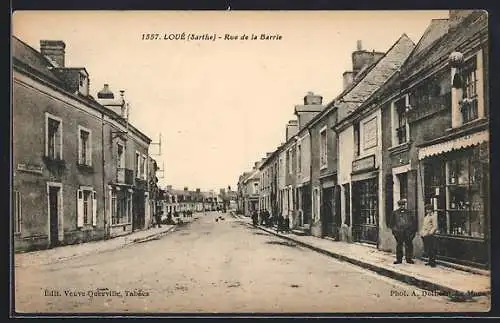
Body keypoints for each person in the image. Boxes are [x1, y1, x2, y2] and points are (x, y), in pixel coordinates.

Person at [390, 199, 417, 264]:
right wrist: (395, 231)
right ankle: (399, 259)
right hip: (399, 232)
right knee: (399, 246)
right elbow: (391, 223)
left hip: (408, 232)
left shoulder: (409, 212)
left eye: (403, 205)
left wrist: (412, 232)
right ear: (399, 205)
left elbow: (413, 222)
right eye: (401, 205)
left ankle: (409, 259)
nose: (402, 206)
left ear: (405, 205)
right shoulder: (395, 213)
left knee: (409, 245)